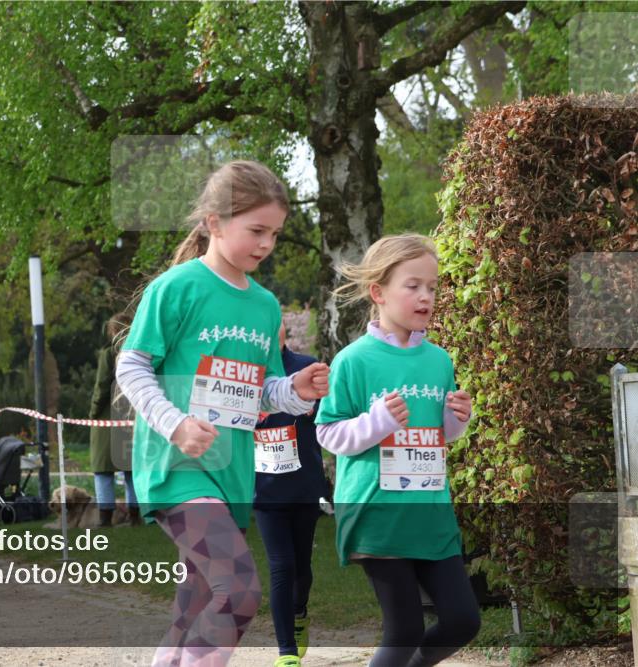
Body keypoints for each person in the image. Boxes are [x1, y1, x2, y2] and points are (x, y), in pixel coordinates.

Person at [115, 160, 330, 665]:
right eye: (256, 230)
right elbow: (131, 365)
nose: (266, 244)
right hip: (176, 468)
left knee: (195, 603)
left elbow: (263, 391)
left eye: (275, 234)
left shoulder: (265, 306)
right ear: (214, 222)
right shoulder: (176, 288)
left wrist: (296, 390)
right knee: (237, 591)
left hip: (232, 474)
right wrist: (175, 425)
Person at [315, 234, 478, 667]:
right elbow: (328, 434)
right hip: (377, 514)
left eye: (432, 287)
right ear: (378, 292)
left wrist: (457, 419)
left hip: (431, 513)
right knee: (404, 631)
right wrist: (378, 422)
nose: (426, 296)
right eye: (413, 286)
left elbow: (439, 435)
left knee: (463, 621)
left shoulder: (439, 360)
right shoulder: (354, 360)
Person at [254, 320, 330, 667]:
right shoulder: (244, 375)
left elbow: (326, 420)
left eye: (277, 326)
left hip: (302, 484)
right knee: (281, 566)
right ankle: (286, 651)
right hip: (263, 488)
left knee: (301, 568)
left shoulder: (306, 367)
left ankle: (300, 613)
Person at [89, 313, 139, 527]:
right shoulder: (139, 352)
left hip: (107, 417)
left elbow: (102, 386)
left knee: (103, 470)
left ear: (112, 331)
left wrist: (93, 412)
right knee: (131, 470)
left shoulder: (108, 354)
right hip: (132, 416)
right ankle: (136, 516)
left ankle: (105, 518)